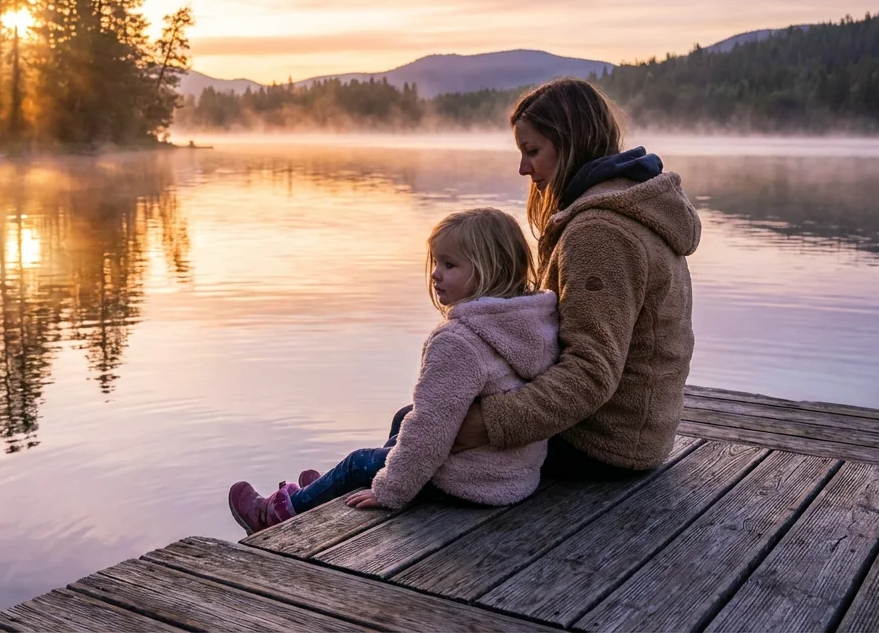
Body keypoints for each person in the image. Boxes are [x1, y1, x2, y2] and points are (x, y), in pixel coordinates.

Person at [227, 208, 559, 534]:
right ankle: (331, 488)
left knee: (358, 462)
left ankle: (278, 512)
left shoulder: (458, 342)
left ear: (490, 270)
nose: (435, 274)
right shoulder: (532, 322)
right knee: (405, 416)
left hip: (471, 484)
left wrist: (391, 490)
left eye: (450, 264)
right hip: (515, 475)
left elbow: (429, 432)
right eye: (436, 263)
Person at [448, 77, 701, 480]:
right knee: (432, 414)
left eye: (532, 151)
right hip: (633, 435)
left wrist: (488, 422)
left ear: (571, 143)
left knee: (421, 422)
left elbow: (591, 371)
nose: (523, 168)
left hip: (602, 446)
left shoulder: (600, 232)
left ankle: (331, 502)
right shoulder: (629, 204)